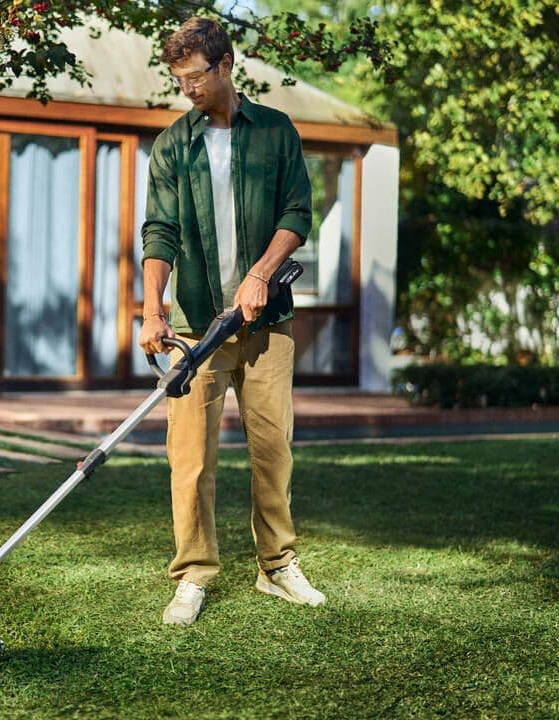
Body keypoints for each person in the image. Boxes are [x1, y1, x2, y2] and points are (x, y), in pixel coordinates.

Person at [139, 16, 326, 626]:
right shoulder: (173, 144)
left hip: (265, 321)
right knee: (190, 457)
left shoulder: (274, 132)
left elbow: (299, 211)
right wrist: (151, 308)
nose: (187, 89)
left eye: (195, 77)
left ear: (225, 66)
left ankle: (277, 565)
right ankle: (193, 574)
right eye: (179, 79)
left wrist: (260, 274)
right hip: (195, 327)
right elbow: (160, 232)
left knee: (273, 449)